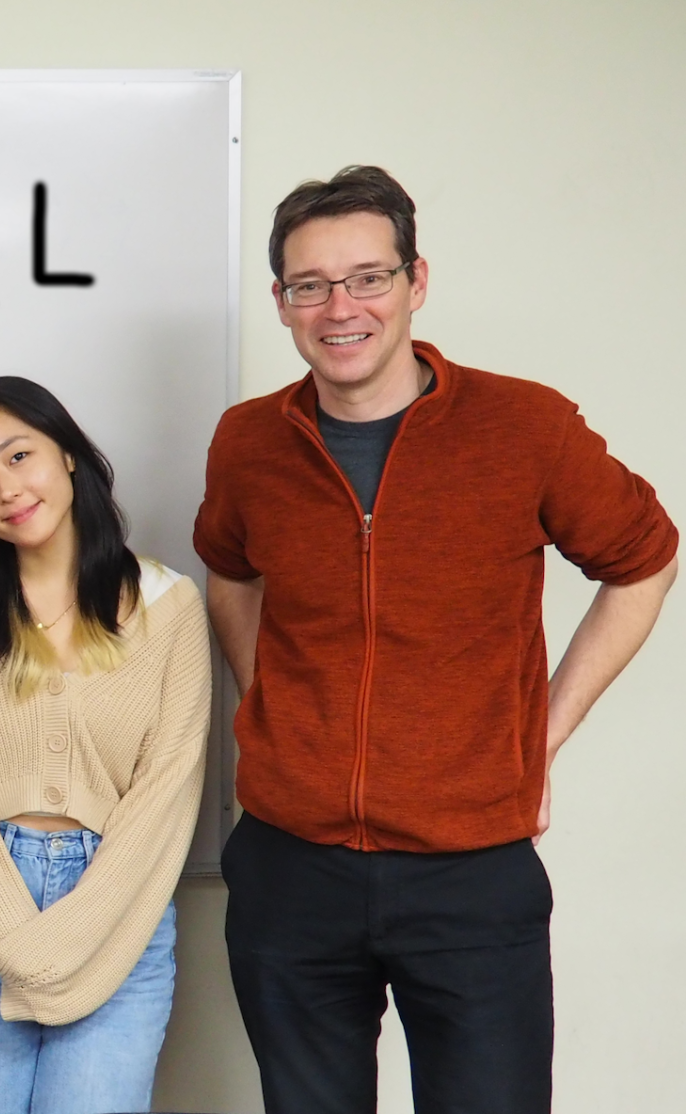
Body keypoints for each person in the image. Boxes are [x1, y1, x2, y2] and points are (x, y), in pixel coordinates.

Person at [194, 165, 678, 1114]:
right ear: (282, 304)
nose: (341, 307)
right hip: (291, 871)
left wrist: (537, 737)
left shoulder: (526, 426)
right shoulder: (247, 442)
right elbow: (229, 572)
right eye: (311, 286)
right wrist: (274, 709)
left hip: (471, 874)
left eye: (368, 277)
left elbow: (645, 562)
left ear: (417, 282)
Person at [0, 376, 211, 1114]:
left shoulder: (170, 608)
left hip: (119, 912)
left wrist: (67, 938)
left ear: (68, 454)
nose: (4, 489)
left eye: (19, 456)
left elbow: (169, 790)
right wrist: (11, 937)